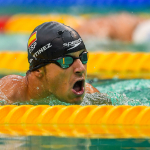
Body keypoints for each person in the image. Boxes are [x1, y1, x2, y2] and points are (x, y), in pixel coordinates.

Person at [0, 21, 99, 104]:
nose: (81, 68)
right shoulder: (9, 93)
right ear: (38, 69)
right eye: (66, 60)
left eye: (83, 57)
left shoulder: (90, 95)